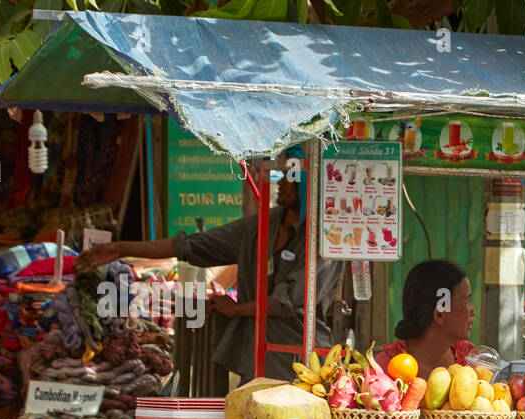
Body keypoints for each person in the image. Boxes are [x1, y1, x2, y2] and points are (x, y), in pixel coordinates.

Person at [75, 148, 344, 382]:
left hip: (303, 359)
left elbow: (287, 302)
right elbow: (191, 246)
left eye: (291, 177)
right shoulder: (262, 225)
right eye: (284, 174)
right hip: (259, 359)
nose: (282, 183)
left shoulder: (325, 238)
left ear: (309, 185)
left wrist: (237, 310)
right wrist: (120, 248)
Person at [377, 258, 478, 419]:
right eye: (466, 301)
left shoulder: (470, 362)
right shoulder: (386, 370)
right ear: (440, 313)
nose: (472, 311)